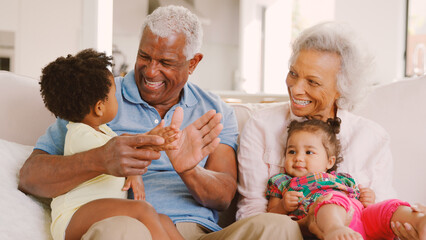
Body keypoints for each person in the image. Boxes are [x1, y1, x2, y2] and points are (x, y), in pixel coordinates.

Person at [19, 5, 303, 240]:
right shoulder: (97, 97)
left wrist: (189, 170)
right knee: (122, 230)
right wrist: (100, 158)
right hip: (129, 228)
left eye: (165, 62)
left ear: (193, 63)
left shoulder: (215, 111)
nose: (151, 70)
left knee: (280, 227)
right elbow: (31, 176)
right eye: (144, 56)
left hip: (196, 232)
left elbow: (223, 196)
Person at [237, 21, 423, 239]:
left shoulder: (372, 138)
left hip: (355, 227)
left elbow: (378, 210)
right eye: (293, 73)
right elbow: (252, 214)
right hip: (298, 229)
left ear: (342, 88)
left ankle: (420, 221)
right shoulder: (261, 126)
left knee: (391, 211)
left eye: (312, 82)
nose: (295, 89)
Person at [38, 48, 183, 240]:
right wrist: (133, 170)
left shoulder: (102, 130)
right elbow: (117, 149)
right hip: (73, 216)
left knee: (163, 220)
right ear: (99, 107)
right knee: (143, 210)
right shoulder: (79, 135)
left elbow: (121, 142)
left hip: (94, 212)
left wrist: (151, 139)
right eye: (114, 95)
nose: (118, 100)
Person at [266, 118, 426, 240]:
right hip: (321, 219)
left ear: (329, 161)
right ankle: (334, 229)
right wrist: (283, 205)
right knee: (329, 200)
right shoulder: (283, 182)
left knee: (387, 208)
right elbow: (270, 216)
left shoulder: (344, 179)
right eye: (292, 151)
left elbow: (359, 205)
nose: (298, 158)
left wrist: (368, 198)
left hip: (360, 217)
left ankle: (419, 222)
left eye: (309, 152)